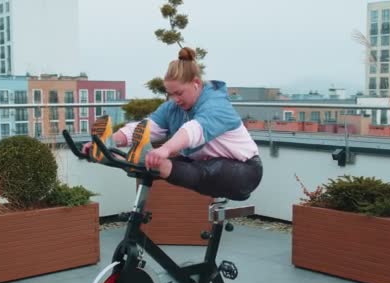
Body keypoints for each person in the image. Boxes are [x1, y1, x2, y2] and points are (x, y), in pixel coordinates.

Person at [84, 47, 262, 201]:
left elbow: (193, 130)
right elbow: (146, 128)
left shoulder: (216, 104)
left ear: (196, 83)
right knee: (148, 165)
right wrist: (108, 142)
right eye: (170, 94)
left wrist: (165, 149)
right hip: (204, 165)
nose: (175, 99)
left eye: (179, 93)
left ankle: (135, 158)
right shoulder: (172, 108)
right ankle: (110, 154)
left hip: (244, 172)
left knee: (167, 163)